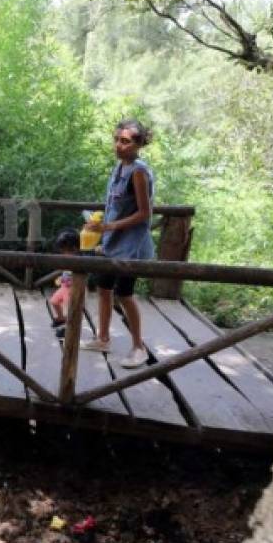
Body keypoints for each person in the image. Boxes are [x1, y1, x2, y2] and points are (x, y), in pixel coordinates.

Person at [80, 119, 155, 368]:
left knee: (124, 294)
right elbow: (114, 205)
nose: (118, 145)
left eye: (125, 141)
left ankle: (138, 347)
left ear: (138, 144)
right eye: (117, 139)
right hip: (111, 243)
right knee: (103, 288)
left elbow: (144, 213)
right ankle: (102, 338)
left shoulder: (138, 171)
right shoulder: (119, 168)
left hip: (131, 246)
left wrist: (107, 227)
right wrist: (98, 223)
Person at [49, 228, 80, 338]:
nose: (63, 253)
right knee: (54, 301)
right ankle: (61, 318)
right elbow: (65, 273)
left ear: (75, 249)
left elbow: (77, 277)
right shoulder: (66, 259)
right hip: (64, 287)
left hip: (73, 289)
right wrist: (61, 279)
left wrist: (66, 280)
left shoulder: (80, 260)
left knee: (69, 309)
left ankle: (68, 328)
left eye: (65, 250)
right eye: (62, 250)